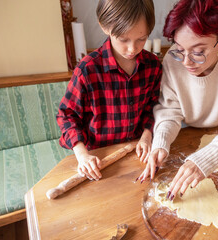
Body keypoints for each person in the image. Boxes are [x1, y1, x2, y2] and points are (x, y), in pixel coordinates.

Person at [138, 0, 218, 200]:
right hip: (184, 132)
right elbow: (170, 110)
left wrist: (205, 160)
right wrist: (161, 141)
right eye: (180, 48)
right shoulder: (174, 59)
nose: (187, 61)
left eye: (198, 52)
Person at [57, 0, 162, 181]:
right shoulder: (87, 70)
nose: (132, 49)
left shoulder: (153, 65)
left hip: (136, 154)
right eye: (123, 39)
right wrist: (82, 155)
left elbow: (154, 106)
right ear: (105, 26)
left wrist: (147, 135)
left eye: (141, 39)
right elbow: (67, 115)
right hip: (98, 159)